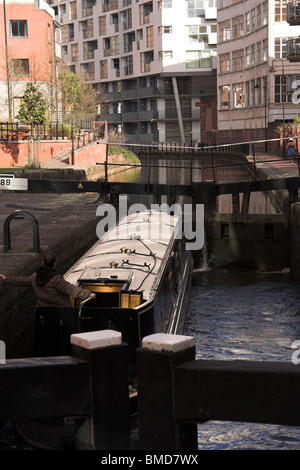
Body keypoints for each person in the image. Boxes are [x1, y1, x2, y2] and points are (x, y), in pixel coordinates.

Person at [0, 251, 96, 307]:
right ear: (54, 264)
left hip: (44, 311)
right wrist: (88, 294)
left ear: (43, 263)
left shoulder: (35, 277)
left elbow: (21, 281)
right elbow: (71, 289)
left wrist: (6, 279)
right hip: (60, 311)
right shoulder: (56, 279)